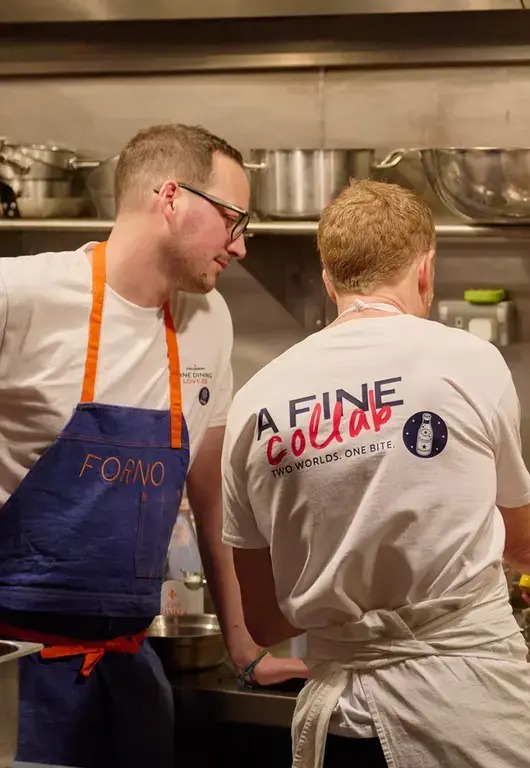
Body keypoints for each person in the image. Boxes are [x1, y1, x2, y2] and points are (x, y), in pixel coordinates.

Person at [221, 179, 530, 767]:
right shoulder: (466, 361)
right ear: (425, 271)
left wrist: (350, 611)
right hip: (469, 714)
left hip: (340, 729)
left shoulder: (254, 402)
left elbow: (260, 618)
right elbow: (526, 542)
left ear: (330, 280)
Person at [0, 123, 307, 768]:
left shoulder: (208, 319)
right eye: (232, 219)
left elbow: (214, 497)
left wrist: (244, 645)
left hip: (131, 675)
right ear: (171, 197)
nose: (242, 246)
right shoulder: (18, 295)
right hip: (17, 678)